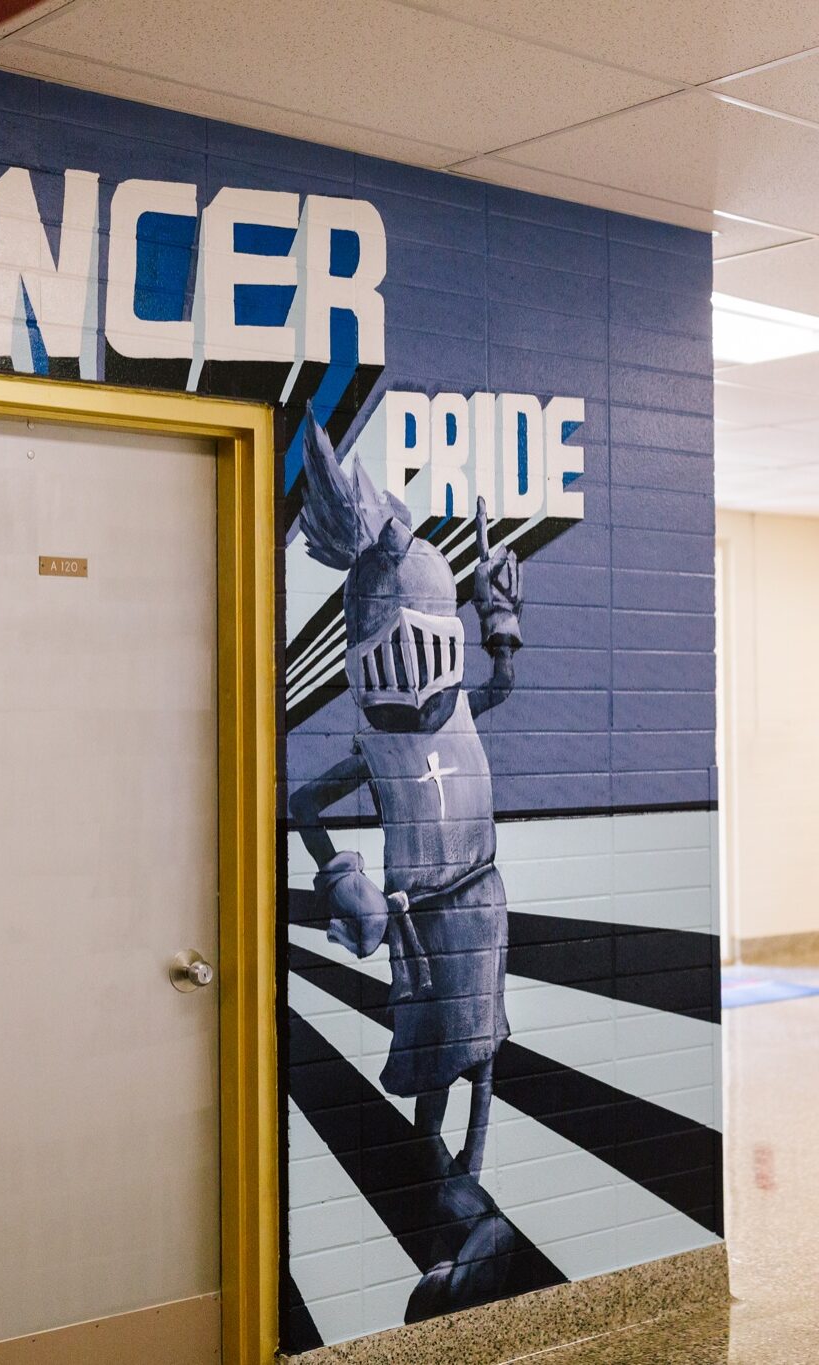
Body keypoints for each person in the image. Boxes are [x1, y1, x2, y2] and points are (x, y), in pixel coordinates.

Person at [289, 412, 522, 1179]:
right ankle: (433, 1161)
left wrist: (497, 608)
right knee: (432, 1050)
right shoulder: (379, 744)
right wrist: (344, 878)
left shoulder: (455, 711)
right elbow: (303, 806)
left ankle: (469, 1164)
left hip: (476, 896)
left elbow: (500, 682)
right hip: (420, 917)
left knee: (482, 1040)